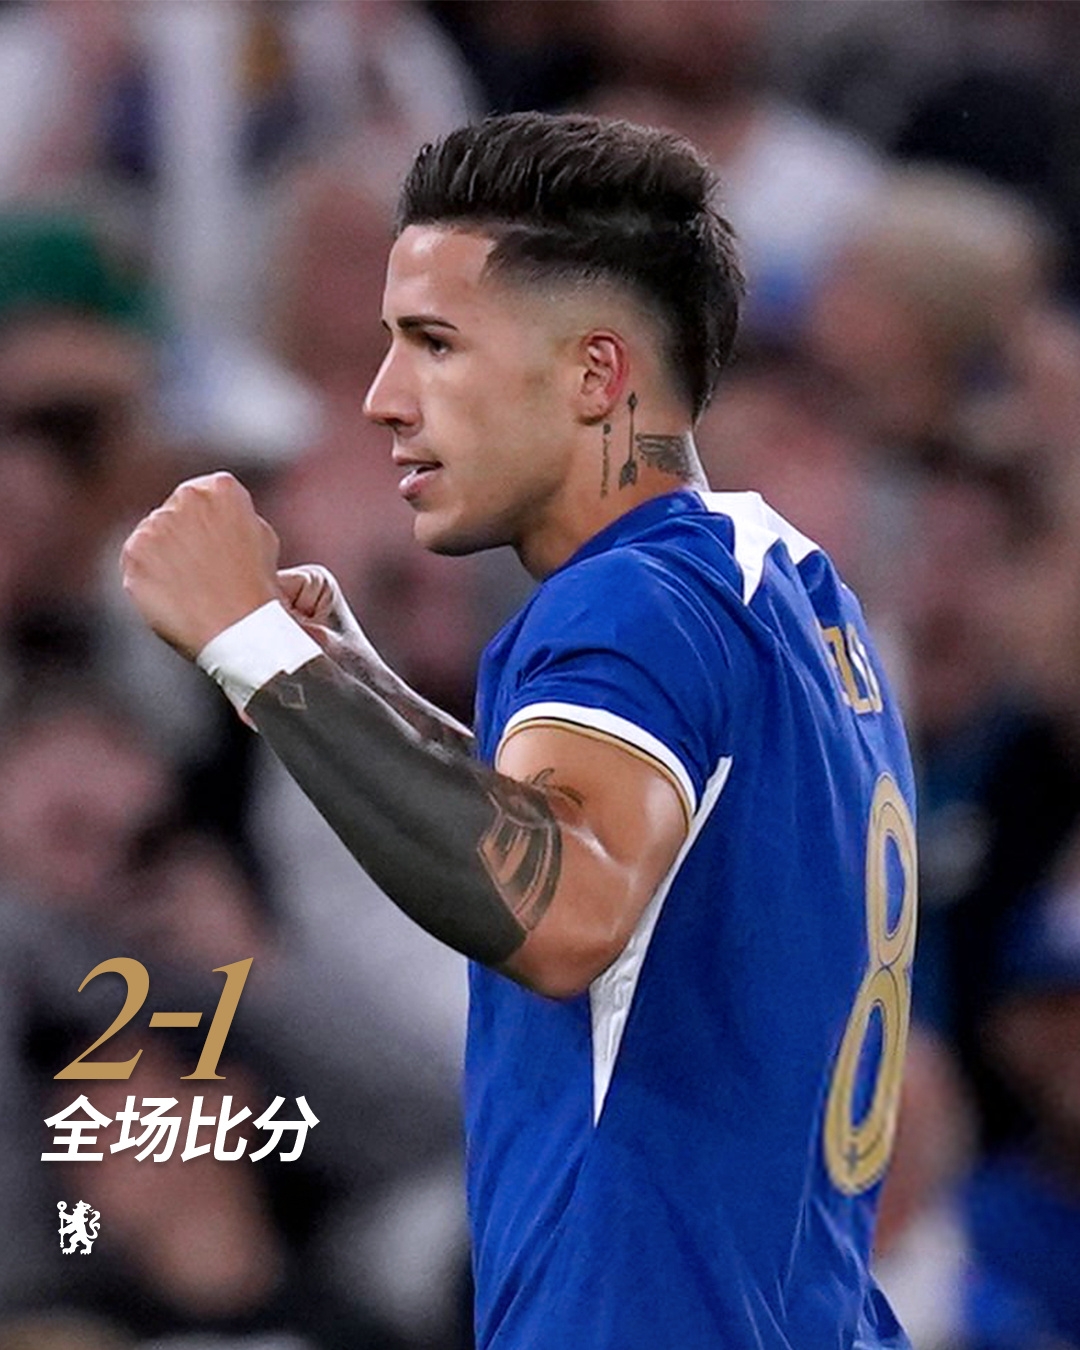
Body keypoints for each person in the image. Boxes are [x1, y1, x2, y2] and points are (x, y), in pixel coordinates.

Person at [120, 111, 917, 1349]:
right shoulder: (790, 594)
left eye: (434, 344)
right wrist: (356, 687)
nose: (384, 400)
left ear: (596, 375)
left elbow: (565, 910)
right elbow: (618, 873)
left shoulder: (628, 600)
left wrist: (252, 646)